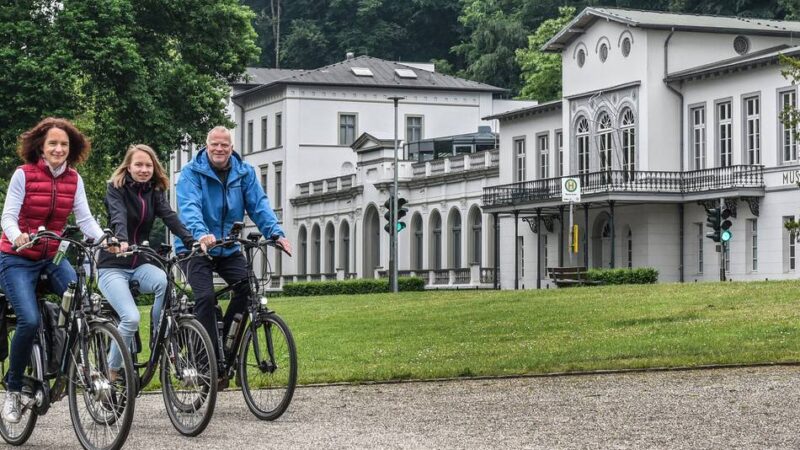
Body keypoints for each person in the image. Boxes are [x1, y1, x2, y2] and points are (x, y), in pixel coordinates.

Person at [0, 118, 111, 423]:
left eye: (64, 144)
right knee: (29, 318)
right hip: (17, 258)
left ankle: (67, 366)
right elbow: (8, 216)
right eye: (53, 144)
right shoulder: (23, 175)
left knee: (81, 304)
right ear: (41, 146)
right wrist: (17, 235)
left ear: (71, 148)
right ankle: (13, 387)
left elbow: (86, 220)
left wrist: (105, 239)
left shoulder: (74, 179)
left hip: (52, 257)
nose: (58, 149)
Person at [175, 126, 291, 386]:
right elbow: (189, 206)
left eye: (224, 145)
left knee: (247, 290)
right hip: (194, 247)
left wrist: (276, 233)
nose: (219, 149)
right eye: (214, 144)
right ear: (206, 146)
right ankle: (207, 361)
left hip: (227, 247)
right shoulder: (191, 174)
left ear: (231, 147)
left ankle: (226, 347)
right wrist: (201, 234)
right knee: (204, 297)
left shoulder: (244, 172)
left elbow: (259, 205)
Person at [96, 144, 194, 377]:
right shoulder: (115, 189)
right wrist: (120, 240)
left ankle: (158, 332)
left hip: (139, 263)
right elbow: (118, 214)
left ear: (155, 168)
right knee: (130, 318)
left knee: (164, 281)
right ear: (128, 167)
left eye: (148, 165)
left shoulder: (154, 191)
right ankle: (112, 370)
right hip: (112, 266)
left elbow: (170, 217)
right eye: (138, 164)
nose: (144, 169)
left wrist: (192, 241)